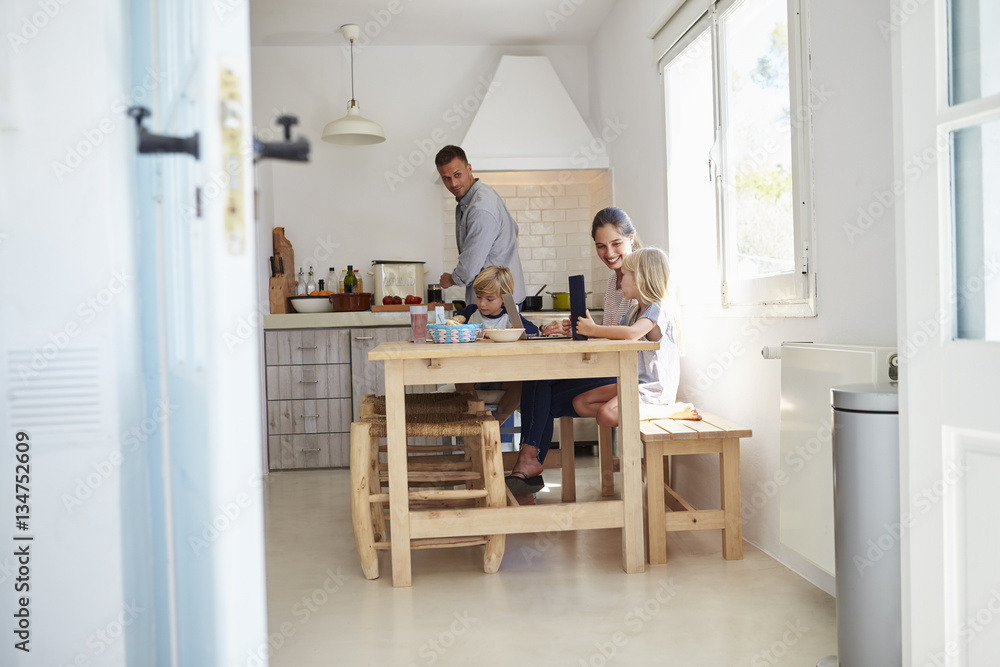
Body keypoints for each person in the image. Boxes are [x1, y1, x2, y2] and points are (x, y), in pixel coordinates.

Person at [572, 247, 700, 425]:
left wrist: (593, 330)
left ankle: (669, 410)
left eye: (624, 275)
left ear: (639, 279)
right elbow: (615, 335)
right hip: (633, 382)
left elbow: (631, 334)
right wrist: (583, 328)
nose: (620, 281)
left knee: (606, 415)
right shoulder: (634, 312)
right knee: (580, 403)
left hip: (653, 391)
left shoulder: (658, 308)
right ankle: (641, 411)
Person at [450, 266, 560, 424]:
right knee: (459, 378)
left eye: (489, 299)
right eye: (479, 297)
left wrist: (503, 333)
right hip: (473, 374)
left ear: (504, 298)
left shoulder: (510, 316)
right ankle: (477, 420)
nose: (482, 303)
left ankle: (496, 422)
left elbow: (532, 329)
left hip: (503, 375)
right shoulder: (470, 312)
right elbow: (453, 326)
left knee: (523, 383)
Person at [435, 145, 526, 306]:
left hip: (497, 304)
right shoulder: (482, 197)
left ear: (469, 169)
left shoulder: (481, 208)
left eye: (457, 175)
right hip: (499, 300)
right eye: (446, 178)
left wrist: (451, 279)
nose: (453, 183)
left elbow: (469, 269)